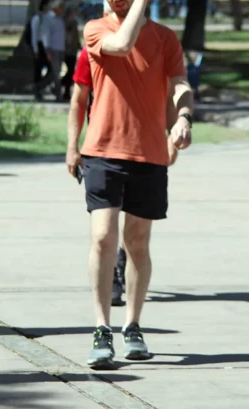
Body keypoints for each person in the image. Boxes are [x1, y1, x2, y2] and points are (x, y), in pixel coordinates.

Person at [79, 0, 194, 369]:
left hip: (149, 152)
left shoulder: (165, 38)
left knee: (138, 243)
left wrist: (182, 117)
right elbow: (123, 44)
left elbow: (179, 82)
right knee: (103, 239)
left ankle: (133, 325)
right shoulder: (95, 30)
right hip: (103, 151)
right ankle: (100, 328)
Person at [67, 46, 181, 308]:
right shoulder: (92, 51)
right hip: (103, 150)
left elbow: (166, 95)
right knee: (105, 227)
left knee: (135, 231)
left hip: (144, 150)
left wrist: (171, 139)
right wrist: (73, 146)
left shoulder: (152, 50)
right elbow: (78, 100)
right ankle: (115, 274)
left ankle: (121, 262)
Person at [41, 0, 66, 100]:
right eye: (60, 7)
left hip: (60, 49)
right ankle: (58, 95)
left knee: (56, 72)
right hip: (53, 49)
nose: (62, 10)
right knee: (56, 73)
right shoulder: (48, 18)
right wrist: (47, 49)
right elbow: (46, 35)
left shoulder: (59, 19)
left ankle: (40, 87)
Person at [28, 0, 51, 100]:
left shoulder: (48, 17)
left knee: (50, 69)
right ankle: (37, 90)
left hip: (46, 46)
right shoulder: (37, 18)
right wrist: (36, 50)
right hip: (39, 46)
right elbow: (34, 35)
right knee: (38, 69)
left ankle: (41, 86)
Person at [62, 6, 81, 100]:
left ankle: (65, 89)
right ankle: (63, 85)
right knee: (70, 71)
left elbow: (76, 37)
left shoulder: (74, 23)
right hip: (67, 51)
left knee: (71, 71)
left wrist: (79, 46)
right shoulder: (66, 23)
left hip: (73, 50)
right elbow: (67, 37)